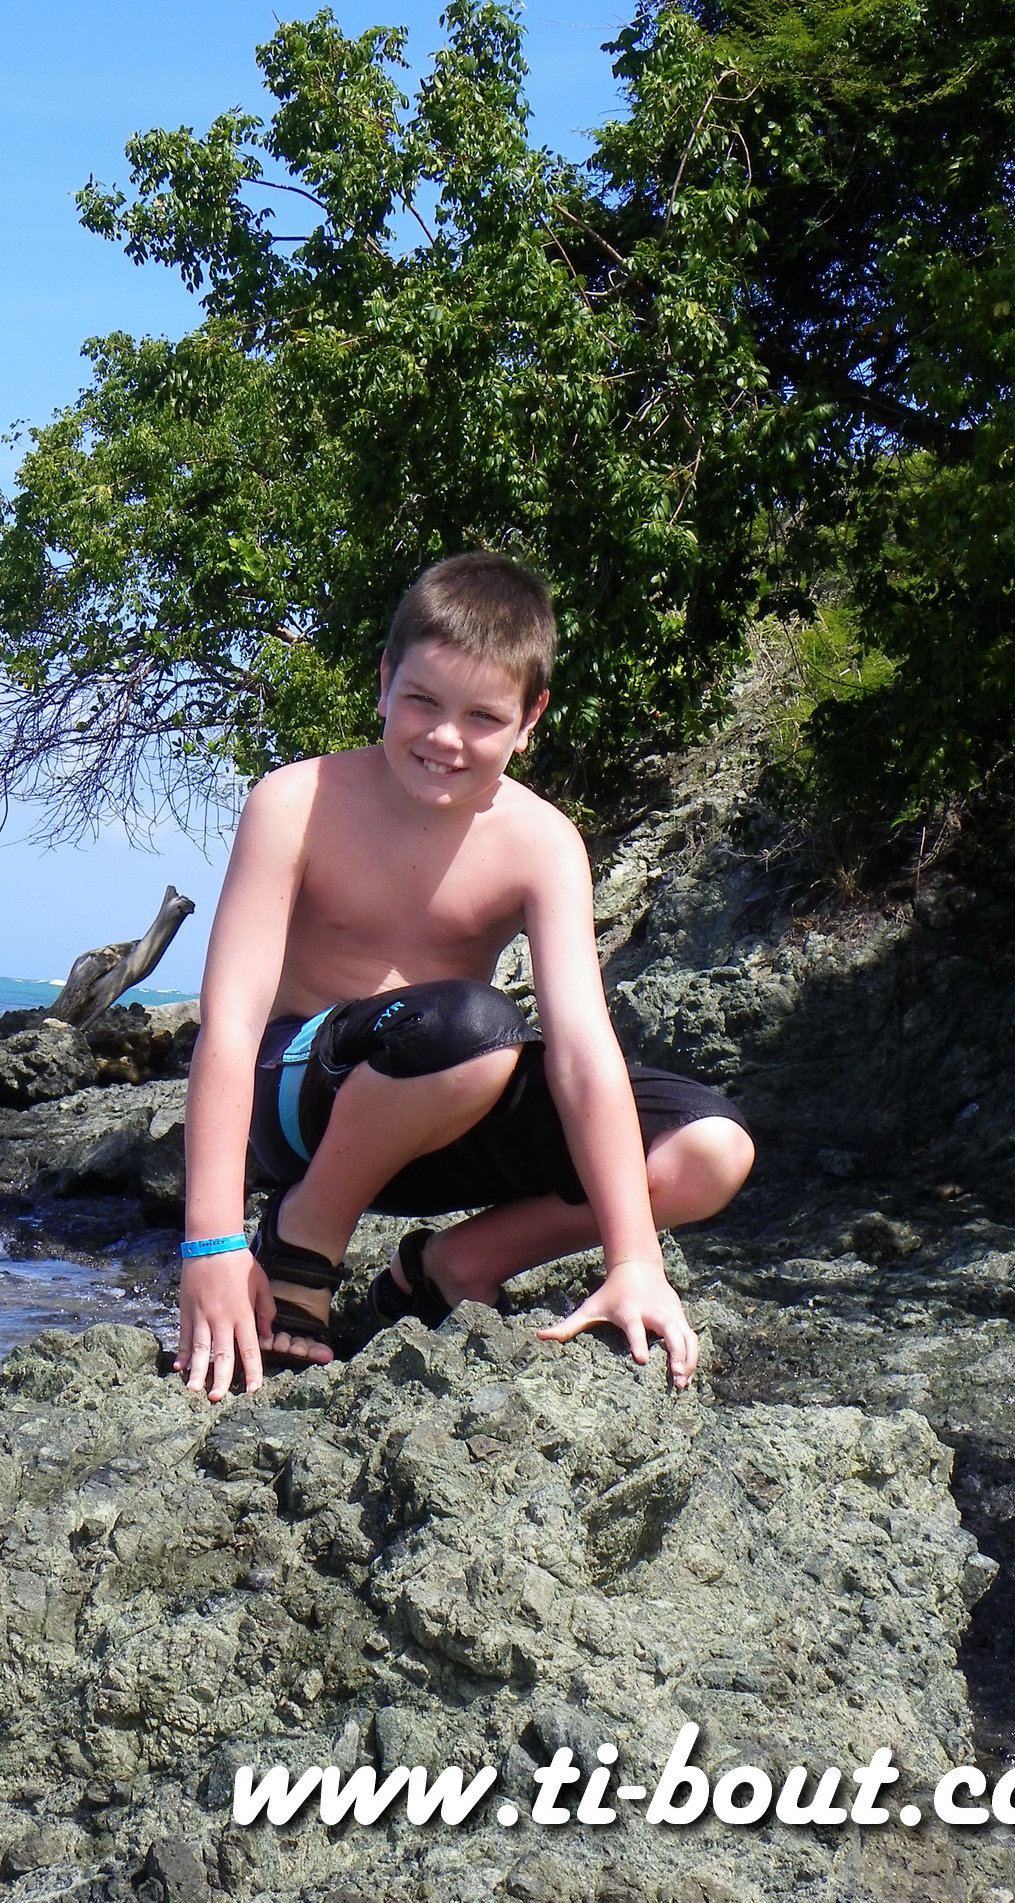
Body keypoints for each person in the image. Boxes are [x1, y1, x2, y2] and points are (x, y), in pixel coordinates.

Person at [175, 552, 754, 1402]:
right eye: (422, 701)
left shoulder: (543, 843)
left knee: (710, 1148)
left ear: (530, 719)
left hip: (449, 1105)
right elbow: (228, 1024)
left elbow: (584, 1052)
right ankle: (301, 1243)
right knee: (476, 1030)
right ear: (384, 682)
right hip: (302, 1106)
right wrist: (211, 1244)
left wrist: (635, 1260)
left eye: (483, 716)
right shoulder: (296, 802)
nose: (444, 739)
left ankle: (452, 1265)